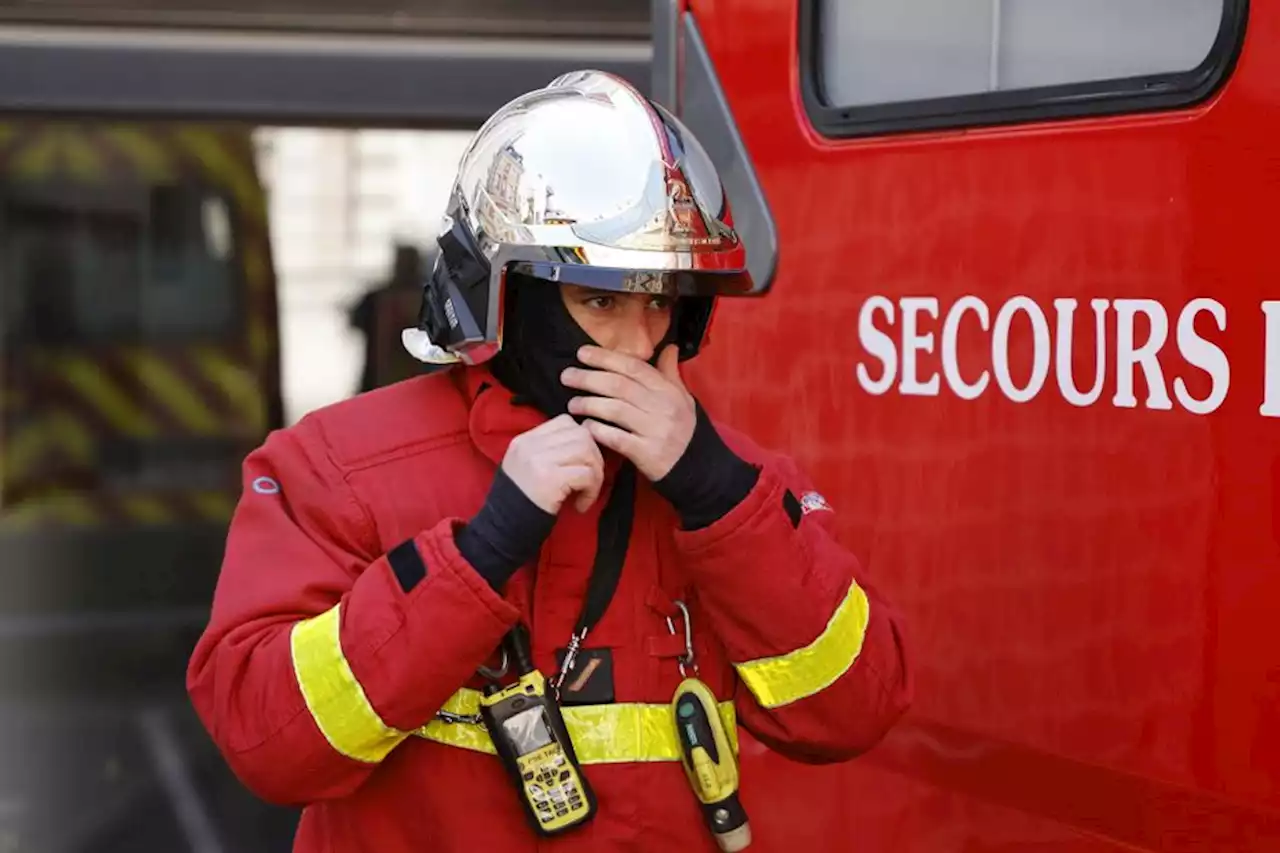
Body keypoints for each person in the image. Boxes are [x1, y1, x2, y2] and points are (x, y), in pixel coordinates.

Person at [186, 70, 911, 853]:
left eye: (661, 301)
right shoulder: (338, 465)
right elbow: (269, 740)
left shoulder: (731, 485)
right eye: (600, 301)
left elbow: (854, 711)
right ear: (509, 296)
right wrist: (483, 550)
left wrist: (715, 490)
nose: (636, 343)